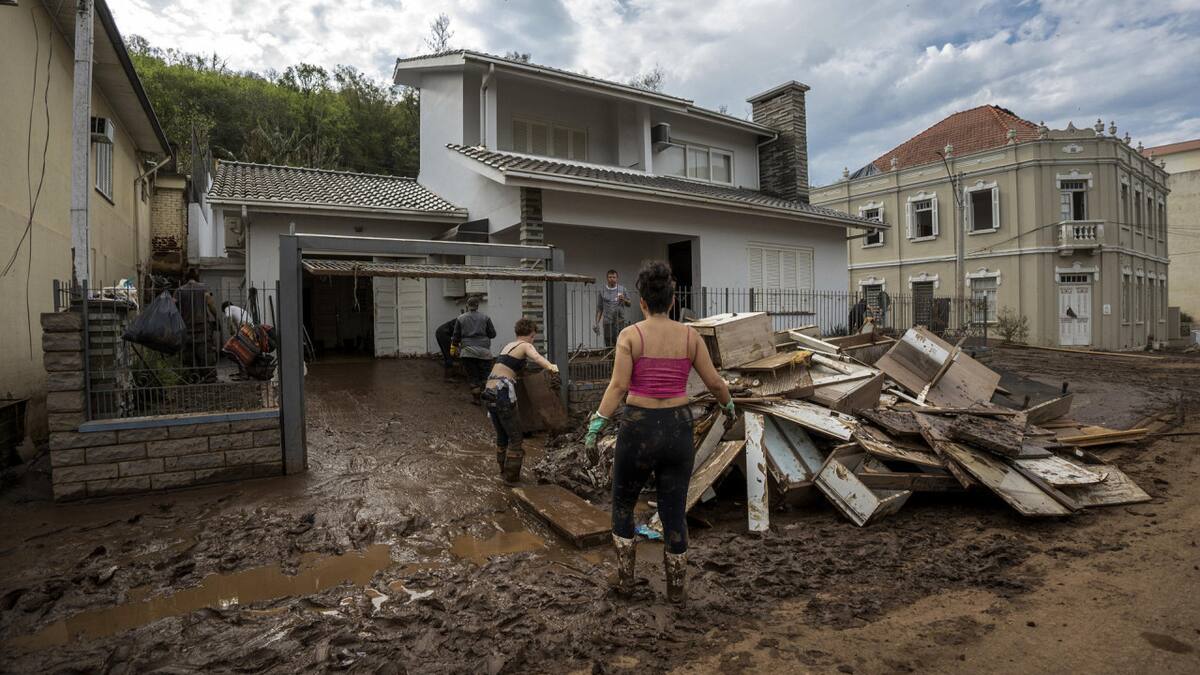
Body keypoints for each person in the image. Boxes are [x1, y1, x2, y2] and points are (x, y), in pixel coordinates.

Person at [584, 261, 734, 604]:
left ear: (641, 302)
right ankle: (677, 589)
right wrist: (727, 406)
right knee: (673, 510)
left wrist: (597, 424)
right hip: (678, 428)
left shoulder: (630, 335)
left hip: (638, 427)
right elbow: (714, 383)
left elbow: (618, 386)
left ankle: (625, 582)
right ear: (671, 301)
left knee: (622, 503)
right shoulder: (690, 336)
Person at [484, 318, 559, 483]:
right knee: (516, 437)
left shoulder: (507, 346)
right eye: (533, 337)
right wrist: (551, 367)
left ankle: (502, 472)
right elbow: (537, 358)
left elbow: (512, 369)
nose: (533, 340)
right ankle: (511, 479)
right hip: (502, 393)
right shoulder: (525, 345)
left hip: (489, 392)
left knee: (502, 436)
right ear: (531, 335)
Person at [174, 269, 221, 383]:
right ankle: (209, 377)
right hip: (202, 328)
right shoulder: (203, 288)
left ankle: (192, 377)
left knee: (188, 356)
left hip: (186, 329)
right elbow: (211, 305)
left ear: (185, 278)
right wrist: (216, 318)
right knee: (206, 354)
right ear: (197, 277)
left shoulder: (179, 291)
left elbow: (173, 307)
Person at [452, 296, 496, 404]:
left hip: (467, 352)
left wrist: (454, 347)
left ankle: (476, 399)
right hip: (484, 353)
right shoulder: (486, 318)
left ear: (467, 305)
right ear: (477, 305)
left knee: (473, 376)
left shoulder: (460, 318)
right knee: (485, 375)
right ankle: (488, 398)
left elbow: (456, 336)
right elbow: (492, 334)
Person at [593, 269, 631, 349]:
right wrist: (596, 323)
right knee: (609, 344)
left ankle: (620, 359)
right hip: (607, 321)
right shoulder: (602, 290)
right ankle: (611, 360)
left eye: (614, 277)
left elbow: (629, 304)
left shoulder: (622, 289)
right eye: (610, 277)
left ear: (617, 278)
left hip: (620, 320)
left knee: (621, 342)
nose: (612, 279)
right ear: (607, 278)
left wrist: (624, 299)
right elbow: (599, 308)